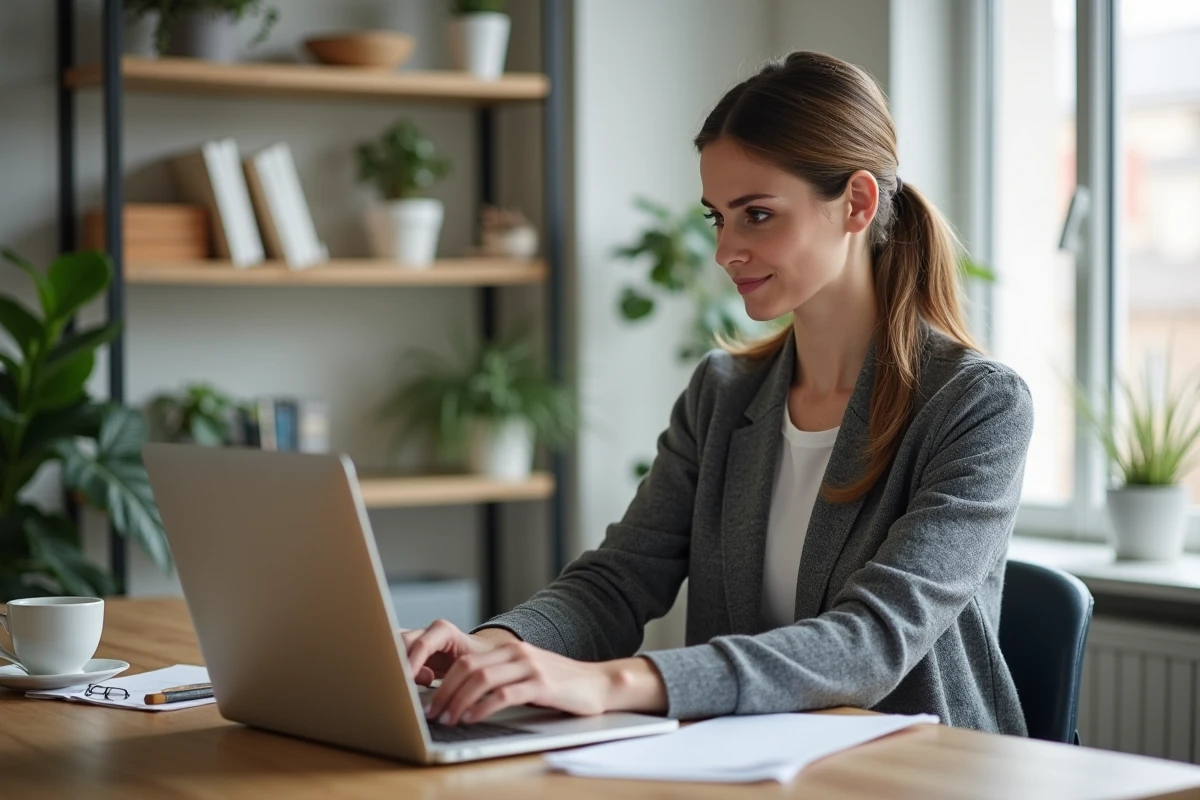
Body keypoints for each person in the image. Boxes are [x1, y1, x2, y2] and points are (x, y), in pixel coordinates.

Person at [403, 50, 1034, 736]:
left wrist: (615, 681)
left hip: (923, 772)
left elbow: (871, 642)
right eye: (718, 218)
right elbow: (619, 580)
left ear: (856, 203)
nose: (725, 250)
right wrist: (498, 648)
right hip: (753, 769)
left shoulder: (978, 406)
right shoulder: (721, 392)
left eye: (757, 214)